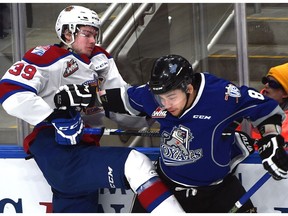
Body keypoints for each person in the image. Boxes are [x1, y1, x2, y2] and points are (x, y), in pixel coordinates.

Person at [0, 6, 185, 213]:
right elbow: (10, 93)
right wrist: (54, 115)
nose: (92, 40)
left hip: (86, 147)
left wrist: (155, 111)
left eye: (95, 34)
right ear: (67, 33)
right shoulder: (46, 56)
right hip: (56, 148)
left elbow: (119, 105)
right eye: (86, 34)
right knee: (135, 163)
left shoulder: (101, 59)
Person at [54, 54, 288, 213]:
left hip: (218, 190)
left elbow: (267, 111)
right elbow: (121, 99)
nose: (165, 104)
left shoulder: (223, 95)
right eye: (160, 98)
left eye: (172, 97)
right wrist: (85, 96)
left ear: (189, 88)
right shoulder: (150, 94)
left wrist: (271, 139)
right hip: (166, 186)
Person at [250, 63, 288, 143]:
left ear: (285, 94)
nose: (266, 85)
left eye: (273, 84)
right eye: (266, 81)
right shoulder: (248, 106)